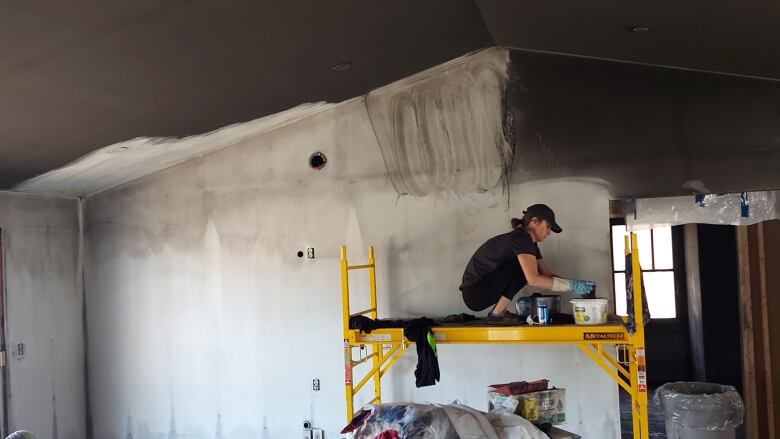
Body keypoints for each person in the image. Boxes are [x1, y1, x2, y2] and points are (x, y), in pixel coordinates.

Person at [459, 204, 595, 323]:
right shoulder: (521, 238)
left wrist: (577, 285)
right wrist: (572, 285)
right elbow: (534, 279)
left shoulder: (530, 245)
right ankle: (497, 315)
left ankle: (498, 313)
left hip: (480, 290)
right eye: (548, 227)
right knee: (525, 270)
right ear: (534, 221)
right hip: (475, 291)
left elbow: (546, 275)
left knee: (528, 269)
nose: (549, 233)